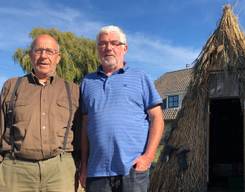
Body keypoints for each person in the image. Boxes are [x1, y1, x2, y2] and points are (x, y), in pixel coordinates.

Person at [79, 25, 164, 192]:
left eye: (114, 43)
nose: (108, 48)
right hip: (97, 172)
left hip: (132, 170)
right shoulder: (87, 82)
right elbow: (85, 126)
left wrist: (148, 157)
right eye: (102, 44)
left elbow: (157, 118)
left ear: (124, 48)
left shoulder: (140, 77)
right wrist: (84, 164)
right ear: (98, 49)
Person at [0, 34, 80, 192]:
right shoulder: (12, 85)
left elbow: (81, 131)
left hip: (60, 170)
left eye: (49, 51)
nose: (43, 56)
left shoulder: (72, 90)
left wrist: (81, 164)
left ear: (58, 57)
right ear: (30, 55)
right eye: (38, 51)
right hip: (15, 170)